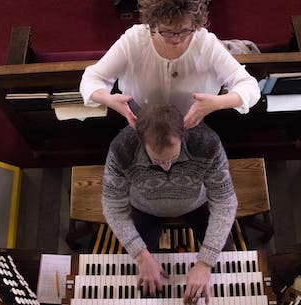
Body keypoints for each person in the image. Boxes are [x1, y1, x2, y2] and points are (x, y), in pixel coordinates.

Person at [101, 103, 238, 304]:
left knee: (227, 269)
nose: (167, 166)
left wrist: (205, 263)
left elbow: (225, 201)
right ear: (141, 141)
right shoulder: (122, 147)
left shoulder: (206, 142)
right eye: (158, 160)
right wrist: (141, 256)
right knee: (145, 288)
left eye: (173, 157)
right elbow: (113, 206)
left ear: (183, 136)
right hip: (145, 208)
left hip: (197, 205)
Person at [80, 0, 260, 129]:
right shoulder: (134, 40)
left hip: (191, 126)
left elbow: (249, 86)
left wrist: (218, 103)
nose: (177, 40)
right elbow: (91, 79)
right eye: (166, 31)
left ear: (195, 24)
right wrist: (109, 99)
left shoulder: (205, 42)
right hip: (142, 126)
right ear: (152, 24)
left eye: (184, 31)